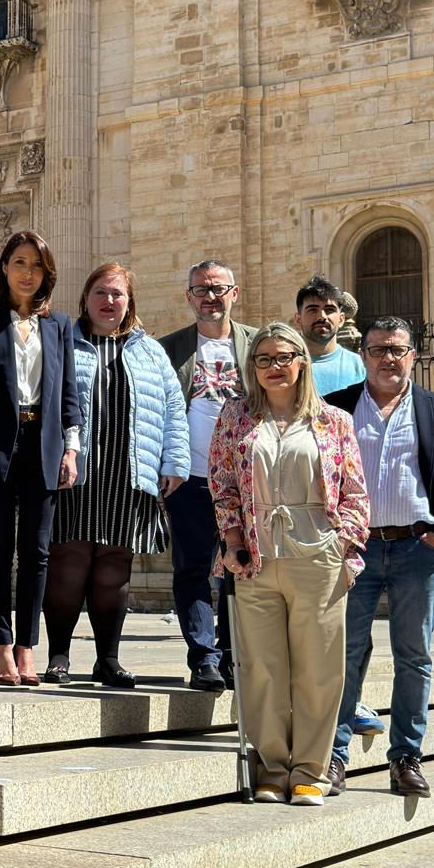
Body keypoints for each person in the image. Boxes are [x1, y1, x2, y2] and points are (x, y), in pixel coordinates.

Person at [209, 322, 369, 806]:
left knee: (319, 669)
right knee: (262, 668)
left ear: (301, 361)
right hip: (256, 558)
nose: (274, 368)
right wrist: (233, 538)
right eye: (263, 360)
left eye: (283, 358)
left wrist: (343, 545)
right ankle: (273, 768)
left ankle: (311, 771)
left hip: (316, 555)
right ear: (252, 368)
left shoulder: (334, 421)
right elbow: (222, 484)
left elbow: (356, 492)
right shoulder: (235, 416)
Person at [326, 316, 434, 799]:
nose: (387, 359)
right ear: (364, 354)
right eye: (378, 350)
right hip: (354, 549)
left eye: (397, 350)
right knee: (343, 656)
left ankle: (406, 757)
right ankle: (333, 756)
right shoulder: (336, 409)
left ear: (413, 355)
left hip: (418, 549)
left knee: (413, 657)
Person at [43, 263, 189, 687]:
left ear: (130, 303)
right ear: (85, 299)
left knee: (113, 567)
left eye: (118, 295)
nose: (109, 302)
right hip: (76, 473)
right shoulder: (63, 341)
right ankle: (58, 655)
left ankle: (108, 658)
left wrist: (174, 463)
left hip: (128, 474)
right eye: (101, 293)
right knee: (68, 562)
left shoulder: (149, 351)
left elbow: (172, 408)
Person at [0, 232, 81, 686]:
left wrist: (71, 448)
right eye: (20, 263)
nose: (28, 274)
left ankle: (28, 647)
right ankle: (2, 646)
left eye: (37, 267)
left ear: (47, 275)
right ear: (4, 267)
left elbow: (69, 396)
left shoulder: (60, 326)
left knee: (37, 552)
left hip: (43, 445)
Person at [157, 259, 256, 692]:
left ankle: (234, 656)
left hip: (248, 481)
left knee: (244, 568)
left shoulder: (258, 344)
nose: (211, 297)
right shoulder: (170, 349)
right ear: (189, 297)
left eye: (219, 289)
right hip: (191, 478)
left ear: (235, 293)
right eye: (201, 289)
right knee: (192, 569)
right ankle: (204, 658)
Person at [295, 275, 367, 397]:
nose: (322, 316)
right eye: (313, 310)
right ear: (298, 319)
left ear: (341, 319)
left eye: (329, 309)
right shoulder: (286, 367)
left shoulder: (361, 366)